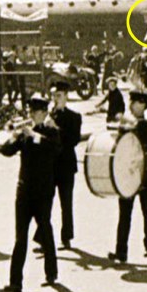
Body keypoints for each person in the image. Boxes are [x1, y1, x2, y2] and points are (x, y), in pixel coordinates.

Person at [1, 93, 60, 292]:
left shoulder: (52, 132)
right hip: (24, 190)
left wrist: (33, 135)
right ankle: (15, 282)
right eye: (30, 112)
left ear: (44, 113)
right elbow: (5, 151)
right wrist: (14, 136)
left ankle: (51, 273)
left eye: (34, 112)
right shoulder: (25, 135)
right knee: (20, 237)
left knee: (45, 229)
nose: (31, 115)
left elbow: (53, 149)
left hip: (43, 192)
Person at [109, 90, 147, 263]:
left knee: (146, 209)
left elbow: (143, 128)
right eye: (130, 101)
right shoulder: (127, 125)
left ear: (143, 105)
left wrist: (129, 121)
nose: (131, 105)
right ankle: (120, 251)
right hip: (128, 172)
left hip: (145, 173)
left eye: (135, 102)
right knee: (124, 212)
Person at [49, 80, 82, 249]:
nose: (55, 99)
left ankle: (66, 236)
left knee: (66, 203)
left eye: (59, 96)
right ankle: (43, 237)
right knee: (45, 202)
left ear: (66, 97)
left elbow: (73, 140)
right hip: (50, 166)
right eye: (54, 96)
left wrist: (55, 128)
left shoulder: (74, 117)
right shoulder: (49, 115)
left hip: (66, 165)